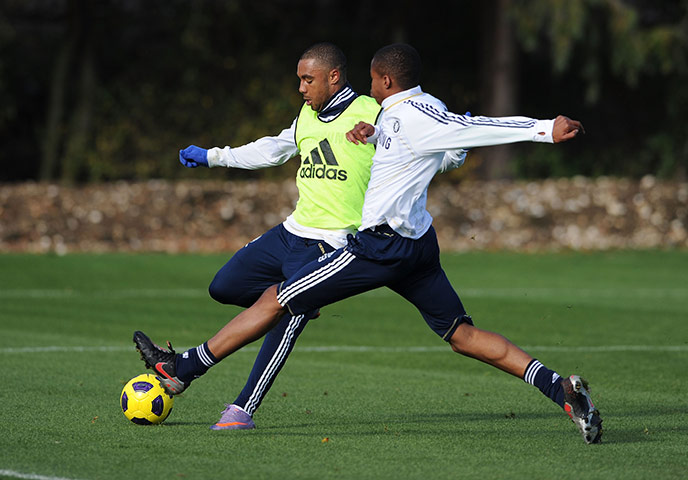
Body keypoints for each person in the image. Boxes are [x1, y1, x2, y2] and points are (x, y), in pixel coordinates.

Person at [135, 43, 602, 444]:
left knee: (278, 299)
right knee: (461, 336)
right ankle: (559, 388)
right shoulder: (409, 110)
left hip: (378, 247)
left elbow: (471, 129)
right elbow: (417, 140)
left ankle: (182, 370)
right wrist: (374, 134)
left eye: (373, 81)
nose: (369, 89)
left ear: (384, 79)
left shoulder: (409, 115)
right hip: (418, 248)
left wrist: (544, 128)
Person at [172, 42, 467, 430]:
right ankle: (296, 303)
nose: (301, 88)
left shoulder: (374, 111)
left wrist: (456, 146)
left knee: (285, 308)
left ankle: (242, 409)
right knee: (224, 286)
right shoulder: (306, 116)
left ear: (334, 76)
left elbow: (433, 153)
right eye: (299, 80)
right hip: (291, 231)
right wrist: (214, 156)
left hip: (334, 241)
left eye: (307, 79)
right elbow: (274, 150)